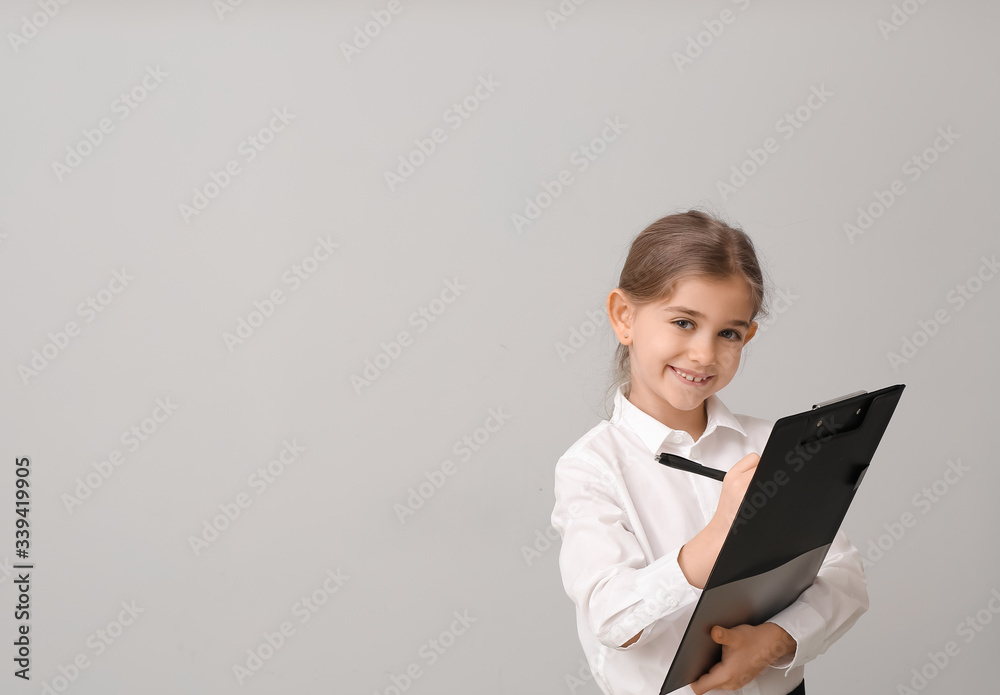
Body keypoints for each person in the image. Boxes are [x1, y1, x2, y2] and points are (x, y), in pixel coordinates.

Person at [550, 209, 869, 695]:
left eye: (728, 333)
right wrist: (719, 536)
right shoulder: (592, 468)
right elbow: (613, 621)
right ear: (624, 317)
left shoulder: (772, 446)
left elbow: (843, 576)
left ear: (748, 336)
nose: (703, 353)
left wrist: (774, 641)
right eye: (683, 322)